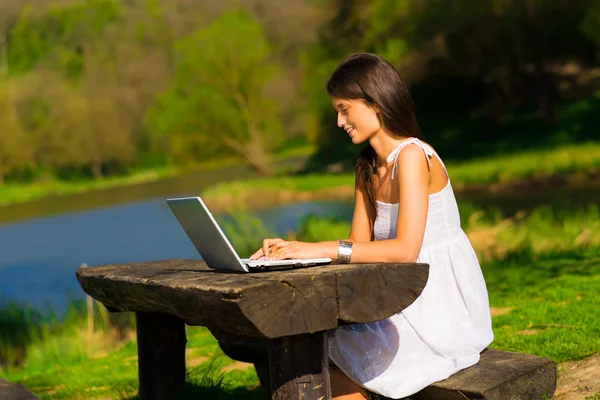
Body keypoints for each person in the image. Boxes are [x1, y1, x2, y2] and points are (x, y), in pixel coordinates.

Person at [250, 53, 494, 400]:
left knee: (318, 364)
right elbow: (356, 245)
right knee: (301, 351)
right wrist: (291, 253)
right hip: (396, 297)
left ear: (375, 103)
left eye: (344, 108)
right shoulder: (368, 165)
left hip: (439, 307)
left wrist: (320, 248)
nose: (339, 121)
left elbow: (405, 250)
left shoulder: (412, 156)